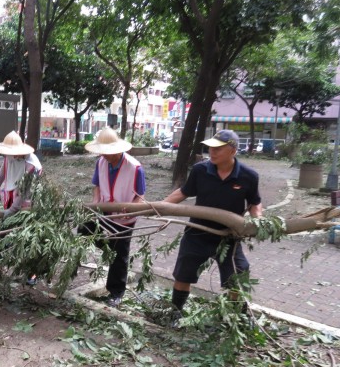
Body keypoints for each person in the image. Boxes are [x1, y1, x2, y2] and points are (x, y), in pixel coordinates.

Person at [163, 129, 263, 317]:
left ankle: (238, 317)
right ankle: (175, 312)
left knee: (238, 276)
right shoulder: (201, 170)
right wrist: (159, 206)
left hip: (228, 237)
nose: (212, 152)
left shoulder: (249, 176)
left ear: (233, 150)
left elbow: (254, 203)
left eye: (218, 149)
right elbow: (184, 192)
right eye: (210, 148)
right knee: (183, 274)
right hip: (197, 234)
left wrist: (259, 223)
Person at [81, 127, 146, 307]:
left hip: (125, 218)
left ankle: (116, 292)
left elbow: (140, 196)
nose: (106, 155)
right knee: (84, 229)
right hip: (104, 212)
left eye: (108, 152)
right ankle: (109, 249)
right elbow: (97, 185)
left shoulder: (135, 167)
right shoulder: (101, 162)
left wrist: (131, 207)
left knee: (120, 255)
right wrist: (95, 201)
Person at [0, 131, 43, 284]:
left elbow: (25, 190)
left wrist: (12, 210)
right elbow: (1, 176)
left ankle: (32, 275)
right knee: (4, 235)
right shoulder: (9, 158)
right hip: (9, 199)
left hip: (28, 206)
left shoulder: (32, 165)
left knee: (28, 240)